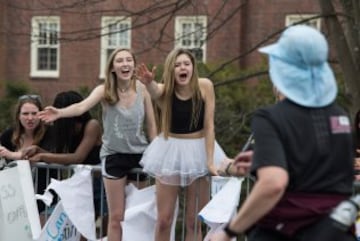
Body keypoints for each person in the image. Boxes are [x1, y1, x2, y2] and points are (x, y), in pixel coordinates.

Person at [211, 25, 355, 241]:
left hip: (285, 231)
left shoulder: (271, 117)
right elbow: (325, 170)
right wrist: (269, 158)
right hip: (336, 232)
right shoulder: (340, 117)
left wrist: (229, 231)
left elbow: (273, 183)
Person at [37, 48, 157, 241]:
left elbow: (151, 125)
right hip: (113, 156)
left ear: (134, 65)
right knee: (116, 216)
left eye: (128, 60)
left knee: (136, 214)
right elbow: (81, 107)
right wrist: (60, 112)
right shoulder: (105, 90)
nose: (125, 64)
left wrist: (157, 151)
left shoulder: (143, 89)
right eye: (120, 61)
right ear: (112, 67)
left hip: (138, 156)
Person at [137, 48, 226, 241]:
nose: (182, 68)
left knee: (194, 221)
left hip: (200, 151)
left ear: (193, 67)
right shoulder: (166, 90)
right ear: (171, 70)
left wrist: (210, 162)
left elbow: (209, 125)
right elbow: (155, 91)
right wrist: (149, 82)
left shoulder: (205, 86)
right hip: (170, 151)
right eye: (177, 65)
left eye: (186, 64)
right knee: (164, 220)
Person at [22, 91, 107, 236]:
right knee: (81, 229)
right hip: (83, 183)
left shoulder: (92, 125)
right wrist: (39, 150)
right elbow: (62, 156)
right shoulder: (67, 129)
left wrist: (43, 156)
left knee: (99, 231)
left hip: (101, 183)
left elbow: (77, 157)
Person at [0, 94, 54, 213]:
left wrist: (14, 155)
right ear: (18, 116)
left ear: (41, 114)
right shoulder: (9, 134)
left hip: (44, 199)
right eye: (25, 114)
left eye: (34, 113)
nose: (30, 118)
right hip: (14, 198)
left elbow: (53, 155)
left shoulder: (49, 133)